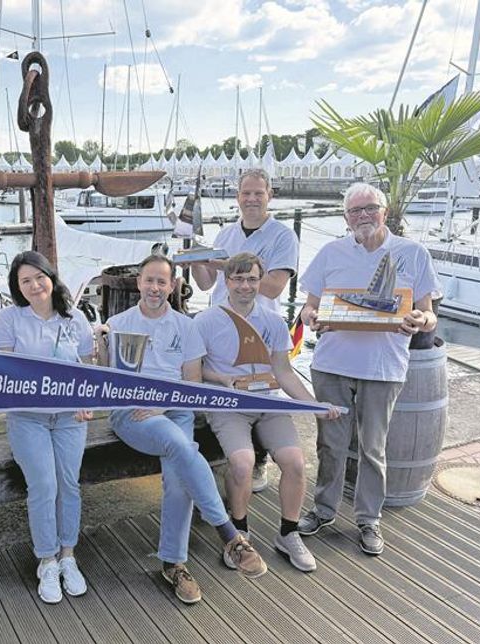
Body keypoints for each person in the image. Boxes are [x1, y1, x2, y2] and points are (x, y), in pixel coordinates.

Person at [98, 254, 265, 605]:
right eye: (149, 280)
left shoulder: (185, 326)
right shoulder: (118, 323)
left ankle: (174, 564)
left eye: (163, 281)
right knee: (182, 446)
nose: (155, 287)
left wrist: (164, 402)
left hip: (176, 409)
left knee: (178, 477)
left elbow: (191, 384)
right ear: (138, 283)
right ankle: (229, 534)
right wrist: (99, 343)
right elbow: (105, 379)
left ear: (172, 285)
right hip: (134, 411)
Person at [297, 182, 439, 556]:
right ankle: (324, 509)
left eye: (369, 208)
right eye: (354, 211)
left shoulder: (413, 253)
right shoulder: (330, 252)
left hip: (384, 366)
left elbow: (429, 314)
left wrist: (419, 319)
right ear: (345, 218)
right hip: (331, 364)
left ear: (385, 210)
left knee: (374, 448)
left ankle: (369, 519)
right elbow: (308, 308)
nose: (362, 216)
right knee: (330, 443)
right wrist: (312, 317)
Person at [195, 252, 340, 573]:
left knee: (295, 462)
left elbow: (284, 373)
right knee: (243, 463)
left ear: (260, 281)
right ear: (226, 280)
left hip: (268, 404)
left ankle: (288, 534)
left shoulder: (273, 322)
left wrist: (313, 404)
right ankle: (238, 533)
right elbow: (195, 371)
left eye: (252, 279)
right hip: (228, 405)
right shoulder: (206, 321)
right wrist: (223, 379)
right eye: (238, 279)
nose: (245, 286)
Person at [0, 251, 95, 604]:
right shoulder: (10, 319)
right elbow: (1, 372)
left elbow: (88, 367)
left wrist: (86, 401)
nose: (35, 285)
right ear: (17, 287)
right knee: (44, 485)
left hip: (69, 419)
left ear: (51, 277)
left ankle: (68, 556)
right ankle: (46, 560)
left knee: (69, 484)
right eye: (25, 281)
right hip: (27, 417)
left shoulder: (75, 318)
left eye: (39, 277)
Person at [192, 168, 300, 493]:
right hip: (221, 325)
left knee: (260, 388)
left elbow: (275, 287)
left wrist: (227, 266)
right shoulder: (225, 235)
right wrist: (197, 260)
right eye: (246, 193)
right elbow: (205, 283)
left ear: (270, 196)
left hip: (261, 328)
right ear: (237, 196)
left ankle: (259, 460)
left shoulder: (282, 236)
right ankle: (226, 457)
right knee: (224, 388)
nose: (252, 199)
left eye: (258, 193)